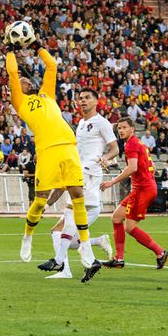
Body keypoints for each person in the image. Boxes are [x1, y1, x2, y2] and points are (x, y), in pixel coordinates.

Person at [5, 29, 100, 281]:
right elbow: (13, 73)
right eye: (23, 82)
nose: (27, 80)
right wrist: (10, 49)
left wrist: (35, 45)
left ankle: (87, 248)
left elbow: (50, 65)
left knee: (77, 196)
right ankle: (27, 237)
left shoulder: (47, 94)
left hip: (68, 147)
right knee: (40, 202)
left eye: (28, 80)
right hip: (46, 152)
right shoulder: (20, 102)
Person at [38, 88, 119, 279]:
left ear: (96, 101)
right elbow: (62, 184)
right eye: (80, 98)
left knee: (65, 222)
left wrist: (106, 158)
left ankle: (62, 266)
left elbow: (115, 148)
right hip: (79, 174)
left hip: (90, 176)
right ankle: (93, 250)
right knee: (62, 233)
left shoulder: (102, 123)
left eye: (87, 98)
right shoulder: (81, 123)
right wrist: (47, 205)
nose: (82, 101)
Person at [100, 117, 168, 269]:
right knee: (116, 218)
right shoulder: (138, 143)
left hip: (143, 189)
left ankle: (160, 252)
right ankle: (119, 258)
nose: (121, 130)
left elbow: (133, 167)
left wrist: (112, 181)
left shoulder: (131, 144)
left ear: (132, 129)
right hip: (143, 187)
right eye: (119, 128)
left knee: (130, 227)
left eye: (124, 127)